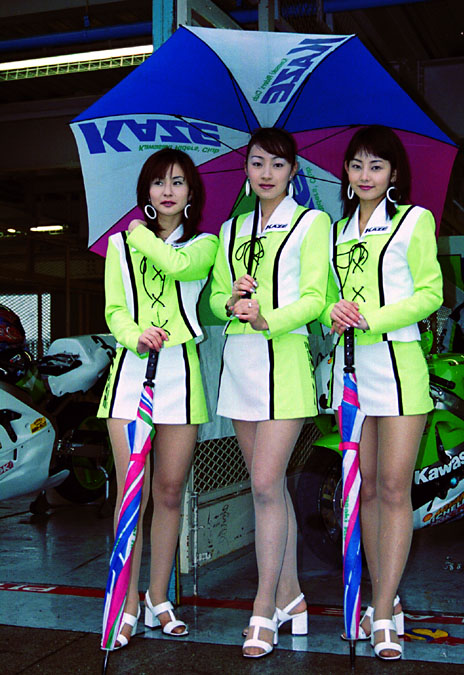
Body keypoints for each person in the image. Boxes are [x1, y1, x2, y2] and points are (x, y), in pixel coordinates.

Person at [320, 125, 443, 660]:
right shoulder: (333, 232)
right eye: (356, 165)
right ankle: (379, 597)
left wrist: (372, 317)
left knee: (393, 487)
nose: (365, 175)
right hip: (349, 371)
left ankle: (386, 610)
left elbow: (431, 292)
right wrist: (332, 313)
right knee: (364, 490)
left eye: (376, 165)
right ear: (345, 173)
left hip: (398, 364)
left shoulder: (415, 221)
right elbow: (322, 301)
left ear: (394, 172)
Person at [209, 127, 330, 658]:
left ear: (293, 172)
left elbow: (315, 298)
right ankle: (292, 596)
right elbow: (214, 297)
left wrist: (267, 318)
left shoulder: (312, 223)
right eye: (257, 162)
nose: (266, 173)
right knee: (269, 488)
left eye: (277, 164)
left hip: (284, 361)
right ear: (246, 168)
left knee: (263, 483)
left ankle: (263, 607)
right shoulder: (231, 229)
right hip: (239, 363)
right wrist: (231, 301)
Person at [98, 148, 218, 649]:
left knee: (170, 493)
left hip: (181, 378)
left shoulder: (205, 244)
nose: (167, 191)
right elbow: (114, 310)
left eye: (178, 182)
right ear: (145, 190)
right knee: (133, 496)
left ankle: (158, 596)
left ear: (191, 193)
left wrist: (141, 234)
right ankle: (126, 602)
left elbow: (180, 267)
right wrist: (134, 335)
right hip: (130, 376)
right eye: (158, 182)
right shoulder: (118, 246)